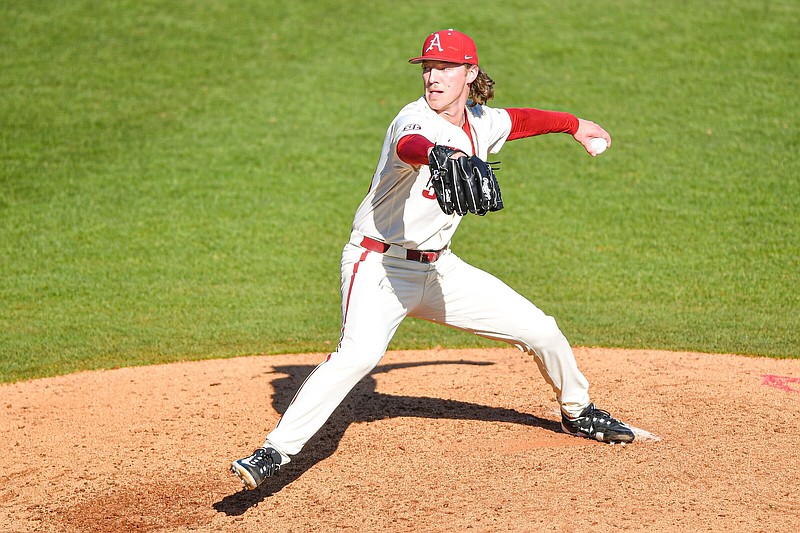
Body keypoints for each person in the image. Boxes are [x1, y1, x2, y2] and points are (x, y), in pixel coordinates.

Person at [231, 29, 634, 490]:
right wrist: (437, 153)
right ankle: (273, 452)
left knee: (541, 328)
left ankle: (578, 412)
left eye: (444, 68)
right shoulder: (414, 119)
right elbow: (410, 146)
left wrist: (573, 124)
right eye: (427, 67)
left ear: (471, 74)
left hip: (440, 270)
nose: (432, 77)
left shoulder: (481, 122)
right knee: (357, 356)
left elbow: (519, 120)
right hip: (379, 268)